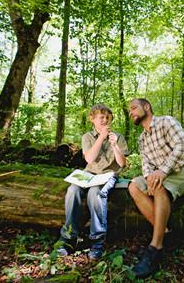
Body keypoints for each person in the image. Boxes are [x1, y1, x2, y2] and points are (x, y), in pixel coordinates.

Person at [128, 98, 184, 278]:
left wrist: (162, 172)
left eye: (134, 108)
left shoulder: (166, 122)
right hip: (162, 174)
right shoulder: (142, 139)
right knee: (133, 186)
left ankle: (156, 247)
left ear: (147, 107)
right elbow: (146, 164)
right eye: (129, 111)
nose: (131, 113)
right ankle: (166, 232)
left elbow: (183, 147)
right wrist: (148, 178)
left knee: (160, 186)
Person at [56, 104, 129, 260]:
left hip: (108, 175)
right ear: (92, 119)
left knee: (96, 193)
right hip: (89, 174)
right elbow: (89, 158)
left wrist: (114, 144)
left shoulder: (118, 137)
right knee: (73, 191)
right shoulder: (87, 137)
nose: (105, 120)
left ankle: (97, 241)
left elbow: (122, 164)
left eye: (108, 117)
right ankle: (68, 237)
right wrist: (101, 137)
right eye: (101, 117)